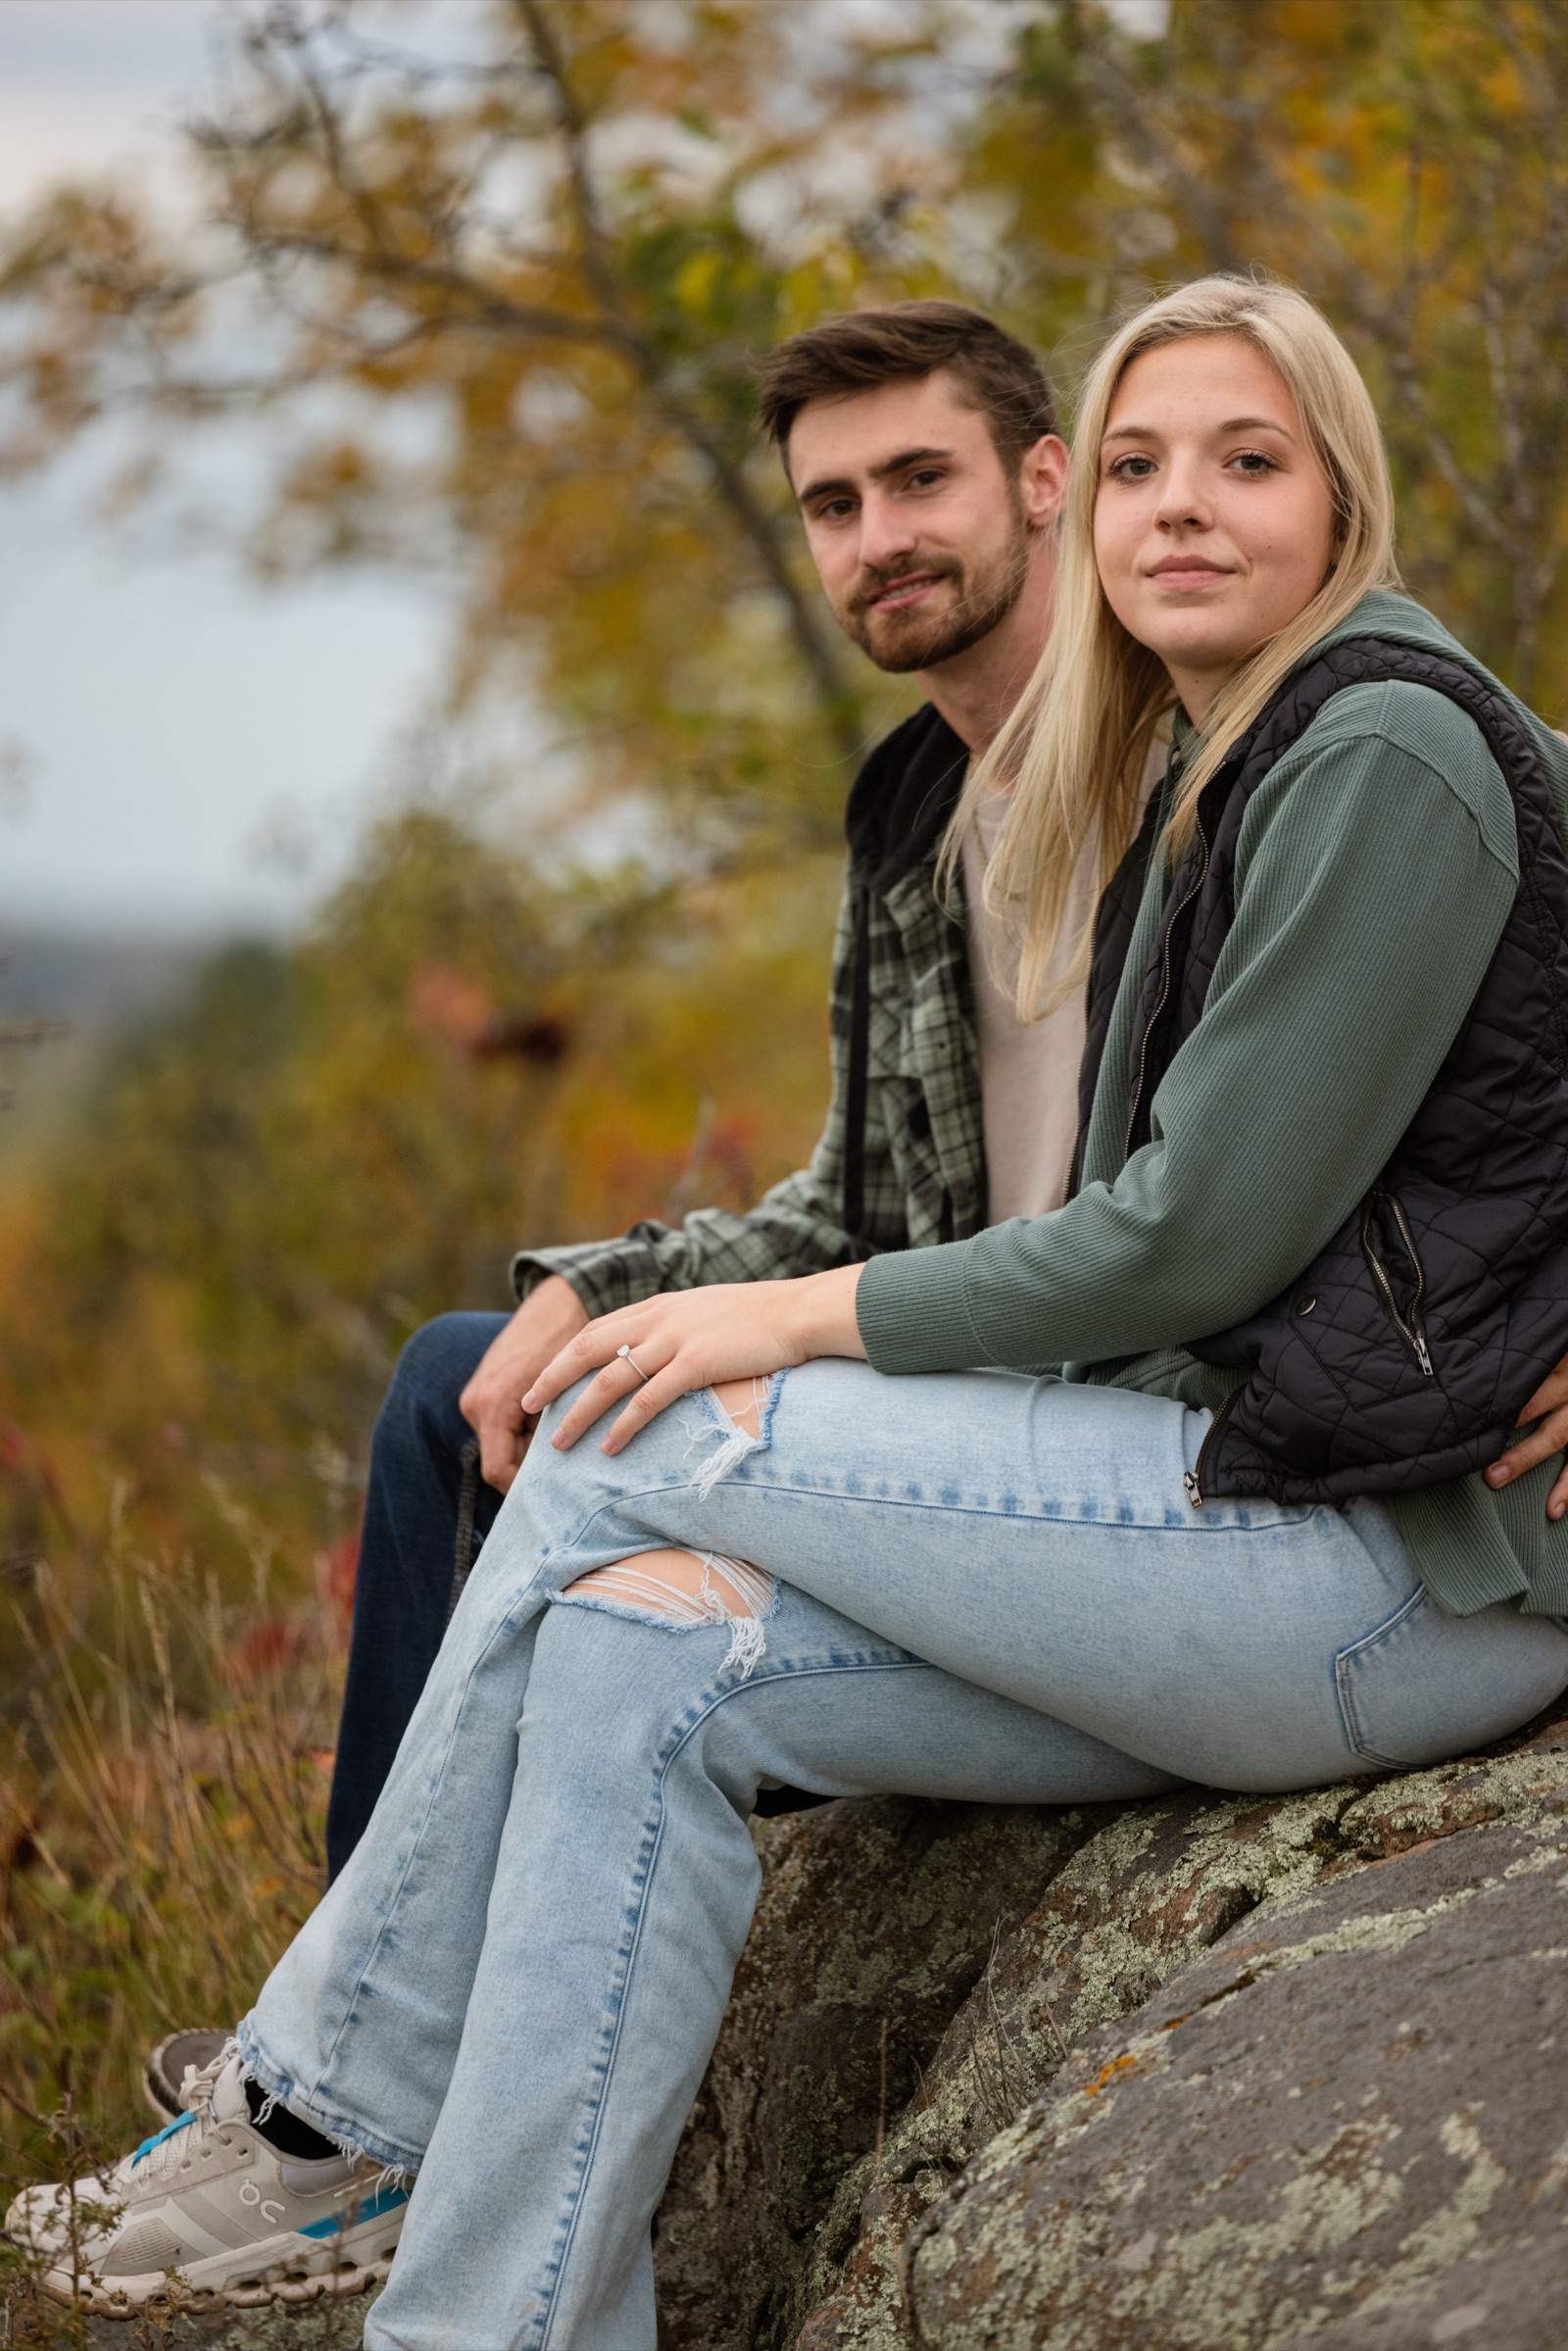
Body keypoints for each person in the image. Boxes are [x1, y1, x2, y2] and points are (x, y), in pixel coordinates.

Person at [22, 274, 1568, 2341]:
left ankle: (332, 2101)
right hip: (1221, 1525)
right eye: (1142, 465)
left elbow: (1189, 1237)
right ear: (1087, 507)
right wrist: (717, 1290)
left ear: (1342, 498)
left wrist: (785, 1321)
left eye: (1245, 459)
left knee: (635, 1424)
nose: (1178, 505)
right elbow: (897, 1188)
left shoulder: (1378, 735)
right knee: (622, 1648)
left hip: (1392, 1563)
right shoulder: (1206, 755)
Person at [142, 296, 1082, 2122]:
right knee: (465, 1379)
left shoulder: (1203, 753)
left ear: (1042, 484)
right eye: (833, 504)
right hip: (934, 1361)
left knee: (600, 1473)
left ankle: (346, 2100)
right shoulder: (912, 806)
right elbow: (855, 1197)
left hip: (1063, 1428)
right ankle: (352, 2068)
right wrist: (611, 1281)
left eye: (920, 479)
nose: (878, 537)